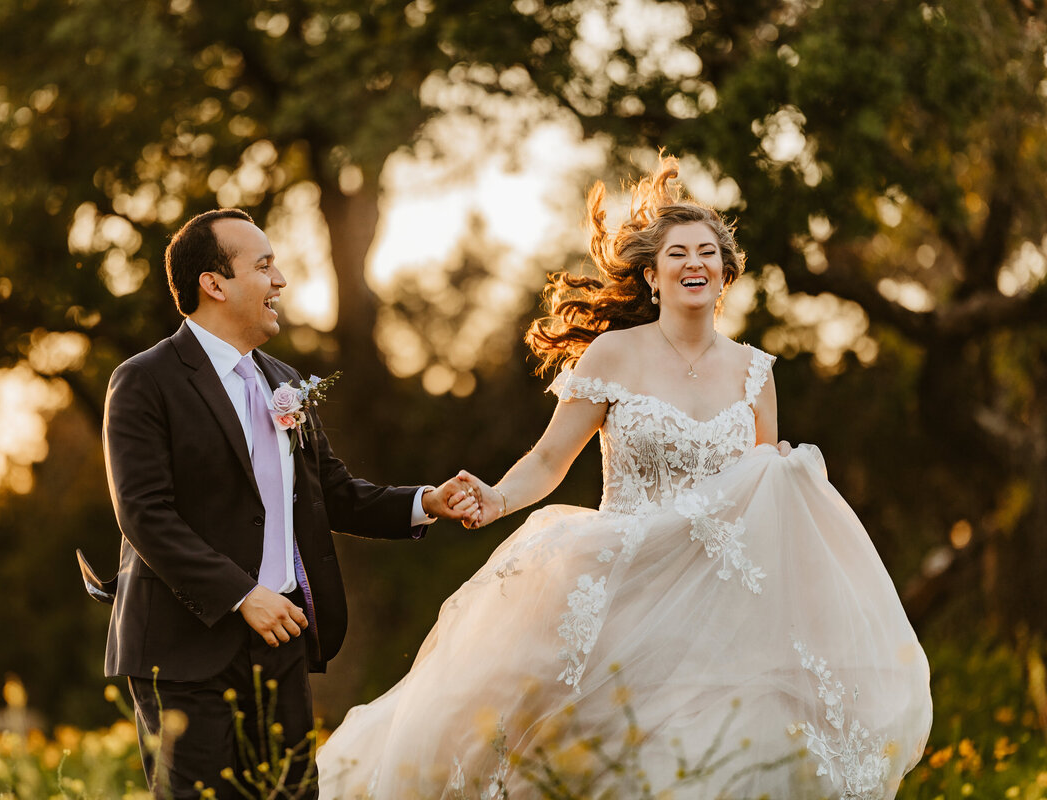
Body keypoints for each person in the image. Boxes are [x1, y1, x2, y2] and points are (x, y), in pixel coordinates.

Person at [316, 158, 933, 799]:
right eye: (678, 254)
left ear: (725, 274)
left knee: (712, 763)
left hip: (719, 608)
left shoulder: (756, 372)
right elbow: (550, 461)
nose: (694, 264)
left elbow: (765, 494)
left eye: (707, 254)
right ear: (653, 274)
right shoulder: (613, 355)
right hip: (620, 589)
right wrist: (498, 498)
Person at [98, 208, 481, 800]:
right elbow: (145, 513)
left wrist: (426, 502)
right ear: (214, 283)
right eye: (264, 266)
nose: (280, 281)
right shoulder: (144, 381)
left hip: (281, 640)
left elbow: (334, 494)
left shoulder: (283, 381)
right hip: (183, 651)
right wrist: (240, 594)